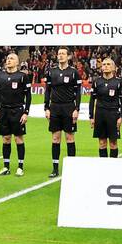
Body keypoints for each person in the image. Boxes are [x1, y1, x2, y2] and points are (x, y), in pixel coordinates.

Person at [43, 46, 82, 178]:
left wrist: (77, 109)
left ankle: (72, 168)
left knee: (70, 137)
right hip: (54, 108)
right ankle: (55, 168)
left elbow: (78, 92)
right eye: (59, 54)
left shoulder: (74, 72)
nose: (60, 56)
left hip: (69, 108)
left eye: (63, 54)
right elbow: (47, 90)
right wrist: (46, 108)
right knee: (55, 138)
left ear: (68, 56)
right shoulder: (51, 72)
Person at [0, 51, 30, 175]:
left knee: (18, 138)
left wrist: (26, 112)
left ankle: (20, 166)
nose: (8, 60)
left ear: (17, 62)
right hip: (4, 111)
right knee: (6, 138)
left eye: (12, 58)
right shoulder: (1, 75)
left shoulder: (22, 76)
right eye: (8, 58)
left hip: (18, 110)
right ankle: (6, 166)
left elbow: (28, 96)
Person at [89, 56, 122, 157]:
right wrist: (91, 116)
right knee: (102, 143)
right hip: (100, 115)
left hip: (113, 114)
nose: (106, 66)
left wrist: (121, 116)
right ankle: (103, 167)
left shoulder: (118, 82)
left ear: (113, 68)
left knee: (113, 143)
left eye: (108, 64)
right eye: (104, 64)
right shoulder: (97, 82)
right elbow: (92, 100)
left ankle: (113, 167)